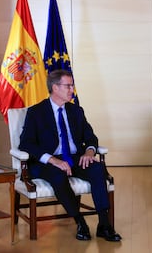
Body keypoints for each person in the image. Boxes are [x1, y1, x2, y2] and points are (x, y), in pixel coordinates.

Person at [19, 69, 122, 242]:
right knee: (58, 175)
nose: (72, 89)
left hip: (74, 158)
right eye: (68, 86)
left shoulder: (76, 111)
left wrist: (89, 152)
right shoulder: (36, 112)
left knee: (97, 169)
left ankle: (104, 224)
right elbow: (26, 143)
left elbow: (90, 137)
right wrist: (53, 160)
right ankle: (80, 222)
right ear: (55, 87)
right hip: (47, 162)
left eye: (72, 85)